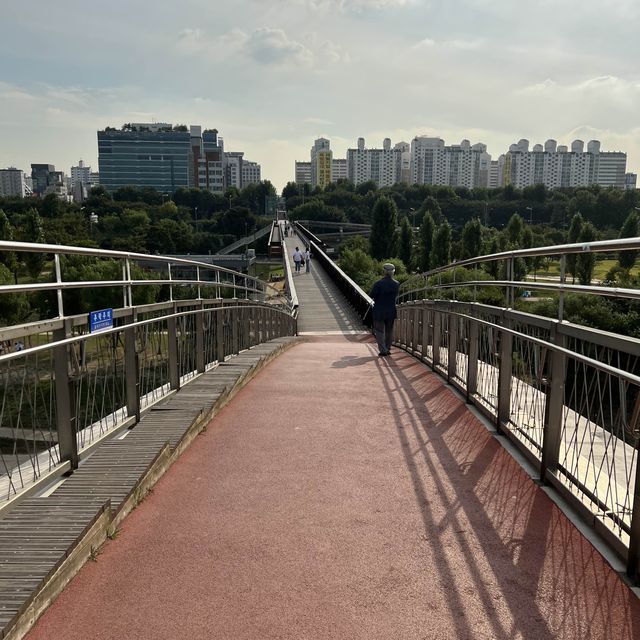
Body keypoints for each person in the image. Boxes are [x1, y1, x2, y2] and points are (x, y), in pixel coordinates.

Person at [370, 263, 400, 357]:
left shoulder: (378, 284)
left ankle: (383, 350)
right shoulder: (396, 284)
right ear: (393, 272)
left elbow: (372, 295)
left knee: (379, 330)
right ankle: (387, 348)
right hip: (391, 310)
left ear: (384, 271)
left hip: (379, 310)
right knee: (389, 330)